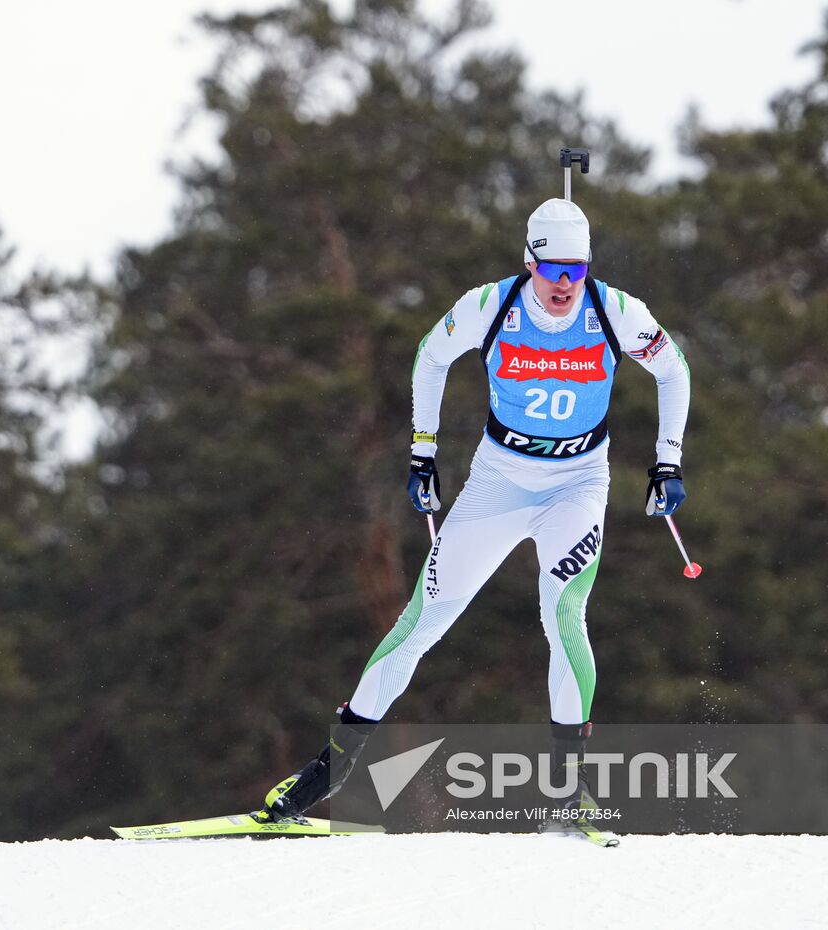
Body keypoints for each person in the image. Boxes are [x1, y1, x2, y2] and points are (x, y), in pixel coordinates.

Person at [260, 197, 691, 827]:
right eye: (554, 270)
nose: (567, 284)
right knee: (422, 621)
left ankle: (569, 791)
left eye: (579, 268)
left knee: (564, 615)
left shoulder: (617, 312)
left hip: (577, 483)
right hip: (497, 484)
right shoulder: (490, 306)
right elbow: (431, 357)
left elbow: (673, 372)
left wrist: (668, 461)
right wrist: (422, 453)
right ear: (529, 261)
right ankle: (325, 774)